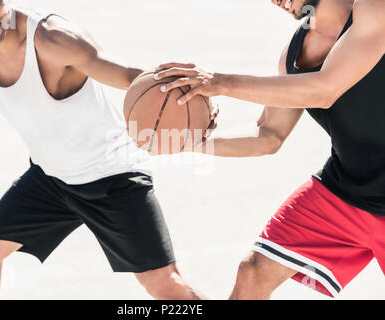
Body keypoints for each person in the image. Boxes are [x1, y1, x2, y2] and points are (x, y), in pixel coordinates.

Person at [0, 0, 206, 300]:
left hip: (112, 177)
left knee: (164, 284)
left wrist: (192, 96)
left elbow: (131, 76)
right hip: (52, 177)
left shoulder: (52, 38)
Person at [155, 0, 385, 299]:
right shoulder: (294, 53)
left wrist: (220, 83)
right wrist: (188, 142)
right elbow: (269, 134)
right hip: (345, 189)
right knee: (253, 273)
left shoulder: (374, 8)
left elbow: (326, 90)